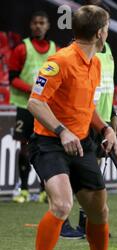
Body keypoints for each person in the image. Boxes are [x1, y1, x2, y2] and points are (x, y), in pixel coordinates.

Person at [24, 5, 117, 250]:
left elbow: (85, 106)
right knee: (63, 205)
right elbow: (35, 103)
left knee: (99, 211)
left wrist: (105, 128)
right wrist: (61, 130)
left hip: (83, 143)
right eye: (107, 28)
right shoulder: (59, 61)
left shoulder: (96, 63)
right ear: (100, 32)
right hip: (50, 143)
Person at [60, 0, 117, 240]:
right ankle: (62, 221)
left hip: (101, 119)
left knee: (94, 172)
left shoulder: (107, 51)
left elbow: (108, 86)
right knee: (69, 170)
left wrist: (113, 116)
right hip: (80, 118)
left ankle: (88, 224)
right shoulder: (76, 51)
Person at [9, 11, 57, 203]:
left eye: (42, 23)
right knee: (24, 148)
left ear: (47, 26)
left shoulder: (55, 49)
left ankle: (45, 191)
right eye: (35, 23)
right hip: (25, 106)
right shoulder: (22, 48)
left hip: (46, 108)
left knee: (46, 148)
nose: (38, 26)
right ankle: (23, 189)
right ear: (31, 25)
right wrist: (34, 90)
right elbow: (12, 78)